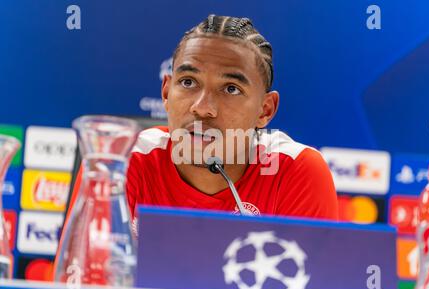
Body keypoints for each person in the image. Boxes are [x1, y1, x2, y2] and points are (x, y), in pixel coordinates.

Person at [70, 14, 339, 223]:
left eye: (231, 89)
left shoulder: (295, 172)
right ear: (166, 92)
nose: (202, 107)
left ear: (265, 111)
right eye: (188, 82)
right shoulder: (121, 162)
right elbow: (86, 285)